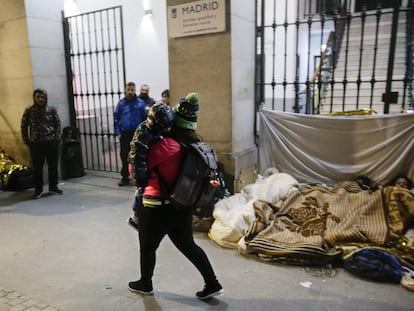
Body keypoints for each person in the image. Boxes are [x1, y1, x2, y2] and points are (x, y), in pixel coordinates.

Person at [128, 93, 223, 300]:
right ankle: (212, 282)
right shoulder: (192, 145)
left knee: (147, 247)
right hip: (182, 205)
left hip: (156, 207)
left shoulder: (165, 146)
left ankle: (145, 283)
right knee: (189, 246)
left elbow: (134, 172)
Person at [127, 103, 175, 231]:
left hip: (147, 161)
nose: (167, 130)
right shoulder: (143, 135)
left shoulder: (157, 128)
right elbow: (138, 157)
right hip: (138, 163)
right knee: (141, 191)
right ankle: (135, 217)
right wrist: (140, 178)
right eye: (164, 128)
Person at [21, 88, 62, 199]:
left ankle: (53, 186)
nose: (40, 99)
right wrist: (26, 140)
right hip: (36, 144)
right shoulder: (29, 110)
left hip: (50, 142)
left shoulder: (51, 110)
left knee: (53, 166)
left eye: (42, 97)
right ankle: (38, 189)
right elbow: (24, 125)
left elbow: (57, 124)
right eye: (38, 97)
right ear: (34, 98)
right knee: (37, 168)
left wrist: (57, 138)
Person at [114, 82, 147, 186]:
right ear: (125, 90)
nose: (130, 92)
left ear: (135, 90)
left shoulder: (140, 103)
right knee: (124, 156)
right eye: (128, 89)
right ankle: (125, 177)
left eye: (132, 90)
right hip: (125, 134)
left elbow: (144, 119)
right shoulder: (121, 104)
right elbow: (116, 119)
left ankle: (138, 177)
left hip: (137, 134)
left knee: (138, 156)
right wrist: (118, 132)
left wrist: (143, 133)